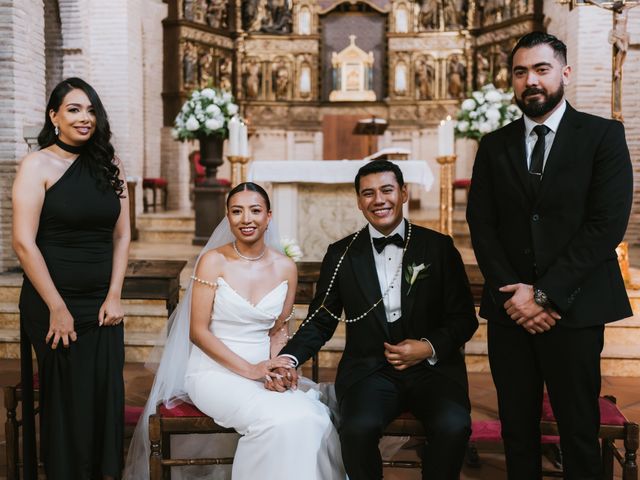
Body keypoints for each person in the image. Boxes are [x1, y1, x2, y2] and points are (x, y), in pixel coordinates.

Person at [466, 31, 633, 479]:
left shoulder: (603, 136)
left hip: (573, 308)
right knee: (516, 428)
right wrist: (514, 296)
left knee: (578, 427)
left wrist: (544, 295)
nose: (531, 81)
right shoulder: (494, 145)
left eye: (541, 69)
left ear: (565, 72)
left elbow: (605, 226)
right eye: (521, 72)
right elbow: (481, 226)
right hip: (511, 312)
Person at [272, 160, 479, 480]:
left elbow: (464, 318)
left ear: (404, 193)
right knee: (356, 428)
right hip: (370, 371)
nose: (378, 200)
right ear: (358, 201)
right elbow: (321, 319)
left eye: (387, 190)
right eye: (368, 193)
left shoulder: (438, 248)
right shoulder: (341, 253)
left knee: (453, 426)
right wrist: (289, 357)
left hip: (433, 371)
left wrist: (427, 347)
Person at [124, 182, 345, 480]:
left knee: (312, 418)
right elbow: (198, 332)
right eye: (237, 211)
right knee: (274, 422)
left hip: (263, 371)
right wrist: (251, 370)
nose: (246, 219)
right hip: (214, 373)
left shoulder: (286, 268)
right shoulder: (212, 262)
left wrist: (279, 368)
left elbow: (279, 332)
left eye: (255, 210)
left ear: (269, 216)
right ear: (228, 218)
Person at [12, 77, 130, 479]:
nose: (85, 118)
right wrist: (57, 308)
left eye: (91, 110)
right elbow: (24, 243)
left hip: (102, 302)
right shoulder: (37, 164)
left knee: (103, 396)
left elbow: (123, 234)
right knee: (69, 404)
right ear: (54, 116)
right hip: (51, 302)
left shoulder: (110, 165)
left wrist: (115, 294)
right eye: (75, 109)